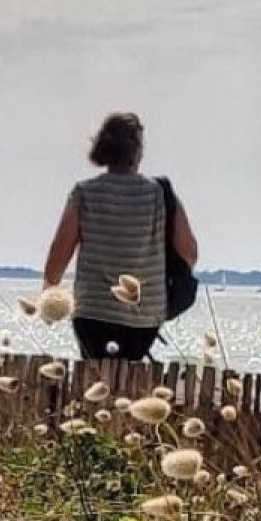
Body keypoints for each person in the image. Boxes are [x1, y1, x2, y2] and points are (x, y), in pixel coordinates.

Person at [43, 112, 198, 361]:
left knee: (96, 380)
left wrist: (50, 294)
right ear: (136, 150)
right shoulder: (159, 194)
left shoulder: (85, 193)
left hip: (93, 311)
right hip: (144, 314)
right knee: (130, 383)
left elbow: (60, 251)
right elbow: (188, 251)